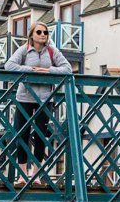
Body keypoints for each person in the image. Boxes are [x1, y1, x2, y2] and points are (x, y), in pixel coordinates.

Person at [4, 23, 72, 185]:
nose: (43, 34)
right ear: (32, 34)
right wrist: (30, 69)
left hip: (45, 99)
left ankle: (35, 175)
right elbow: (9, 66)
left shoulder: (52, 51)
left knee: (41, 136)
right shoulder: (24, 50)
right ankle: (21, 175)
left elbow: (67, 68)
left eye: (45, 32)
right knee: (23, 134)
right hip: (24, 97)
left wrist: (48, 71)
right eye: (39, 32)